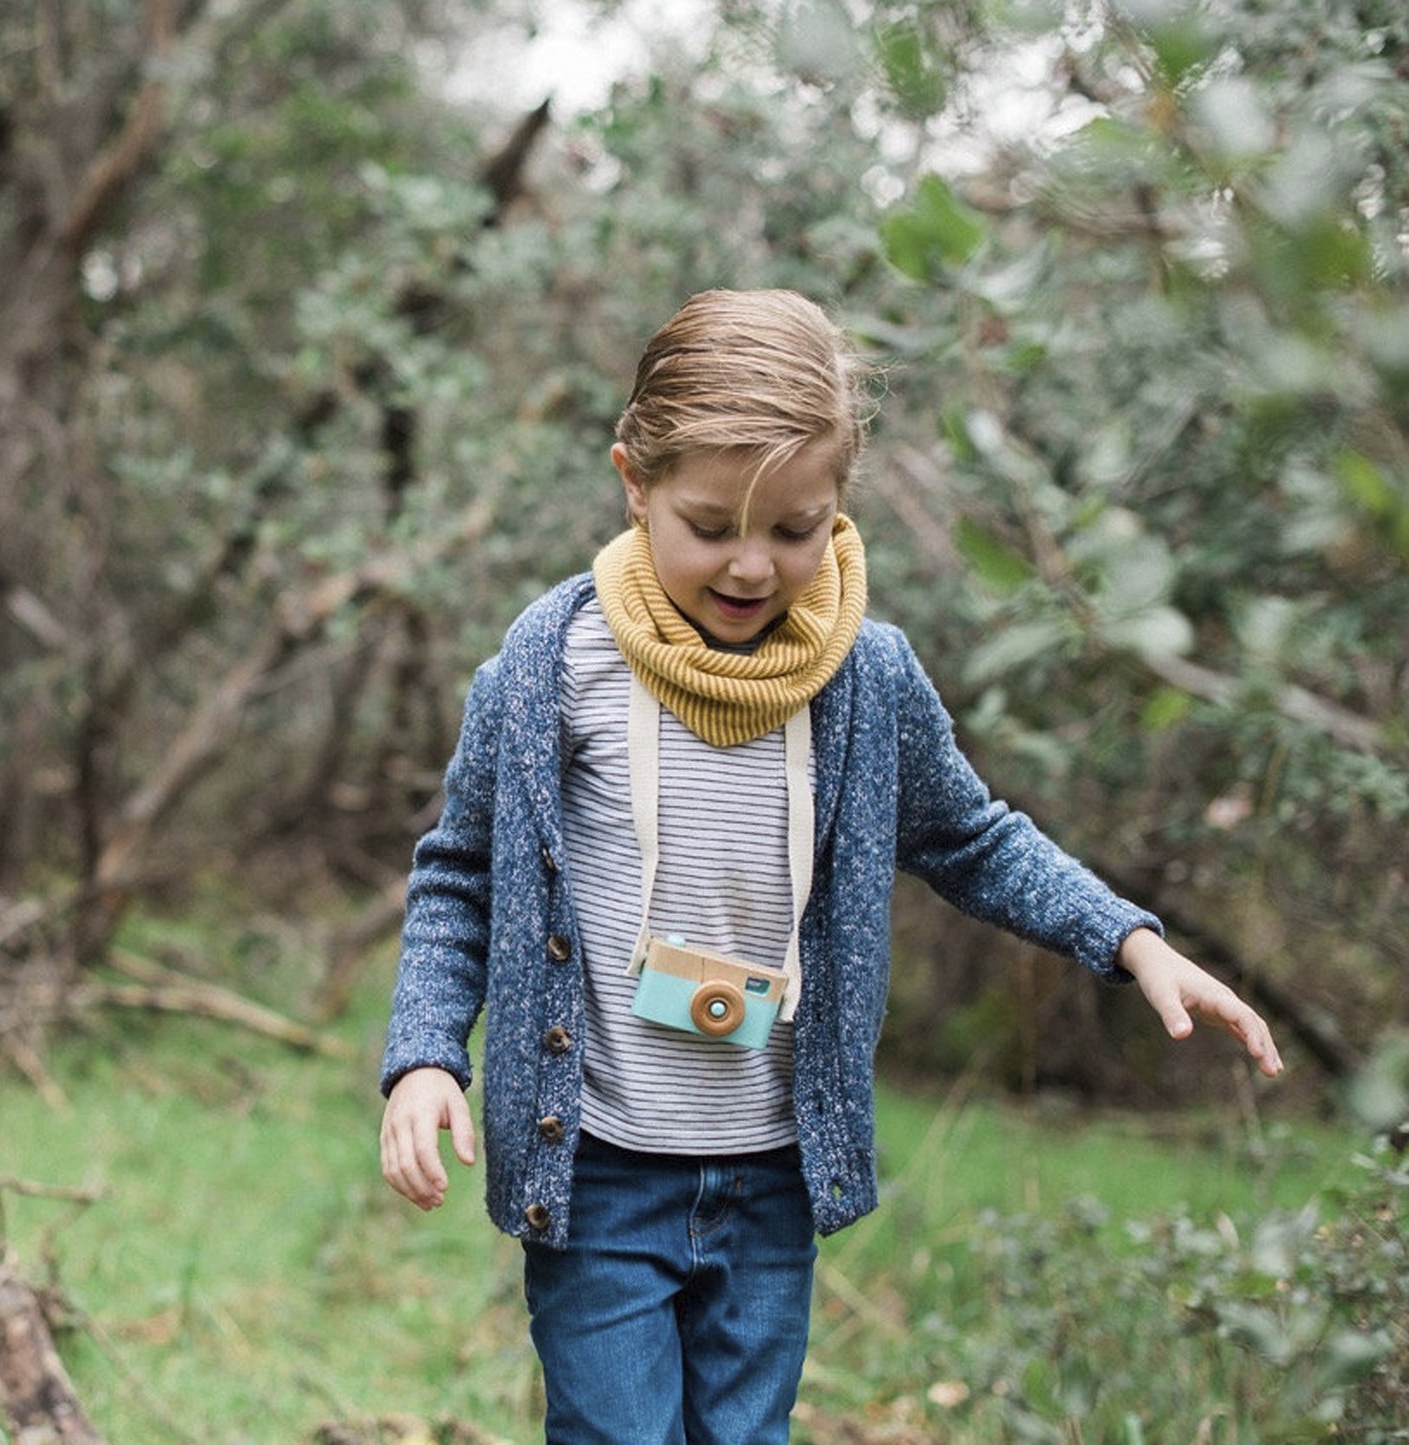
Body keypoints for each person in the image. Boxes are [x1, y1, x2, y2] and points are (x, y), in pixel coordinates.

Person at [379, 288, 1283, 1445]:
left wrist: (1127, 937)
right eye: (709, 526)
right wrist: (420, 1056)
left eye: (795, 529)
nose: (752, 566)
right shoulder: (552, 664)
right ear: (631, 483)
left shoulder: (865, 678)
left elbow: (971, 835)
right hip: (597, 1164)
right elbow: (461, 873)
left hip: (770, 1174)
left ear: (839, 503)